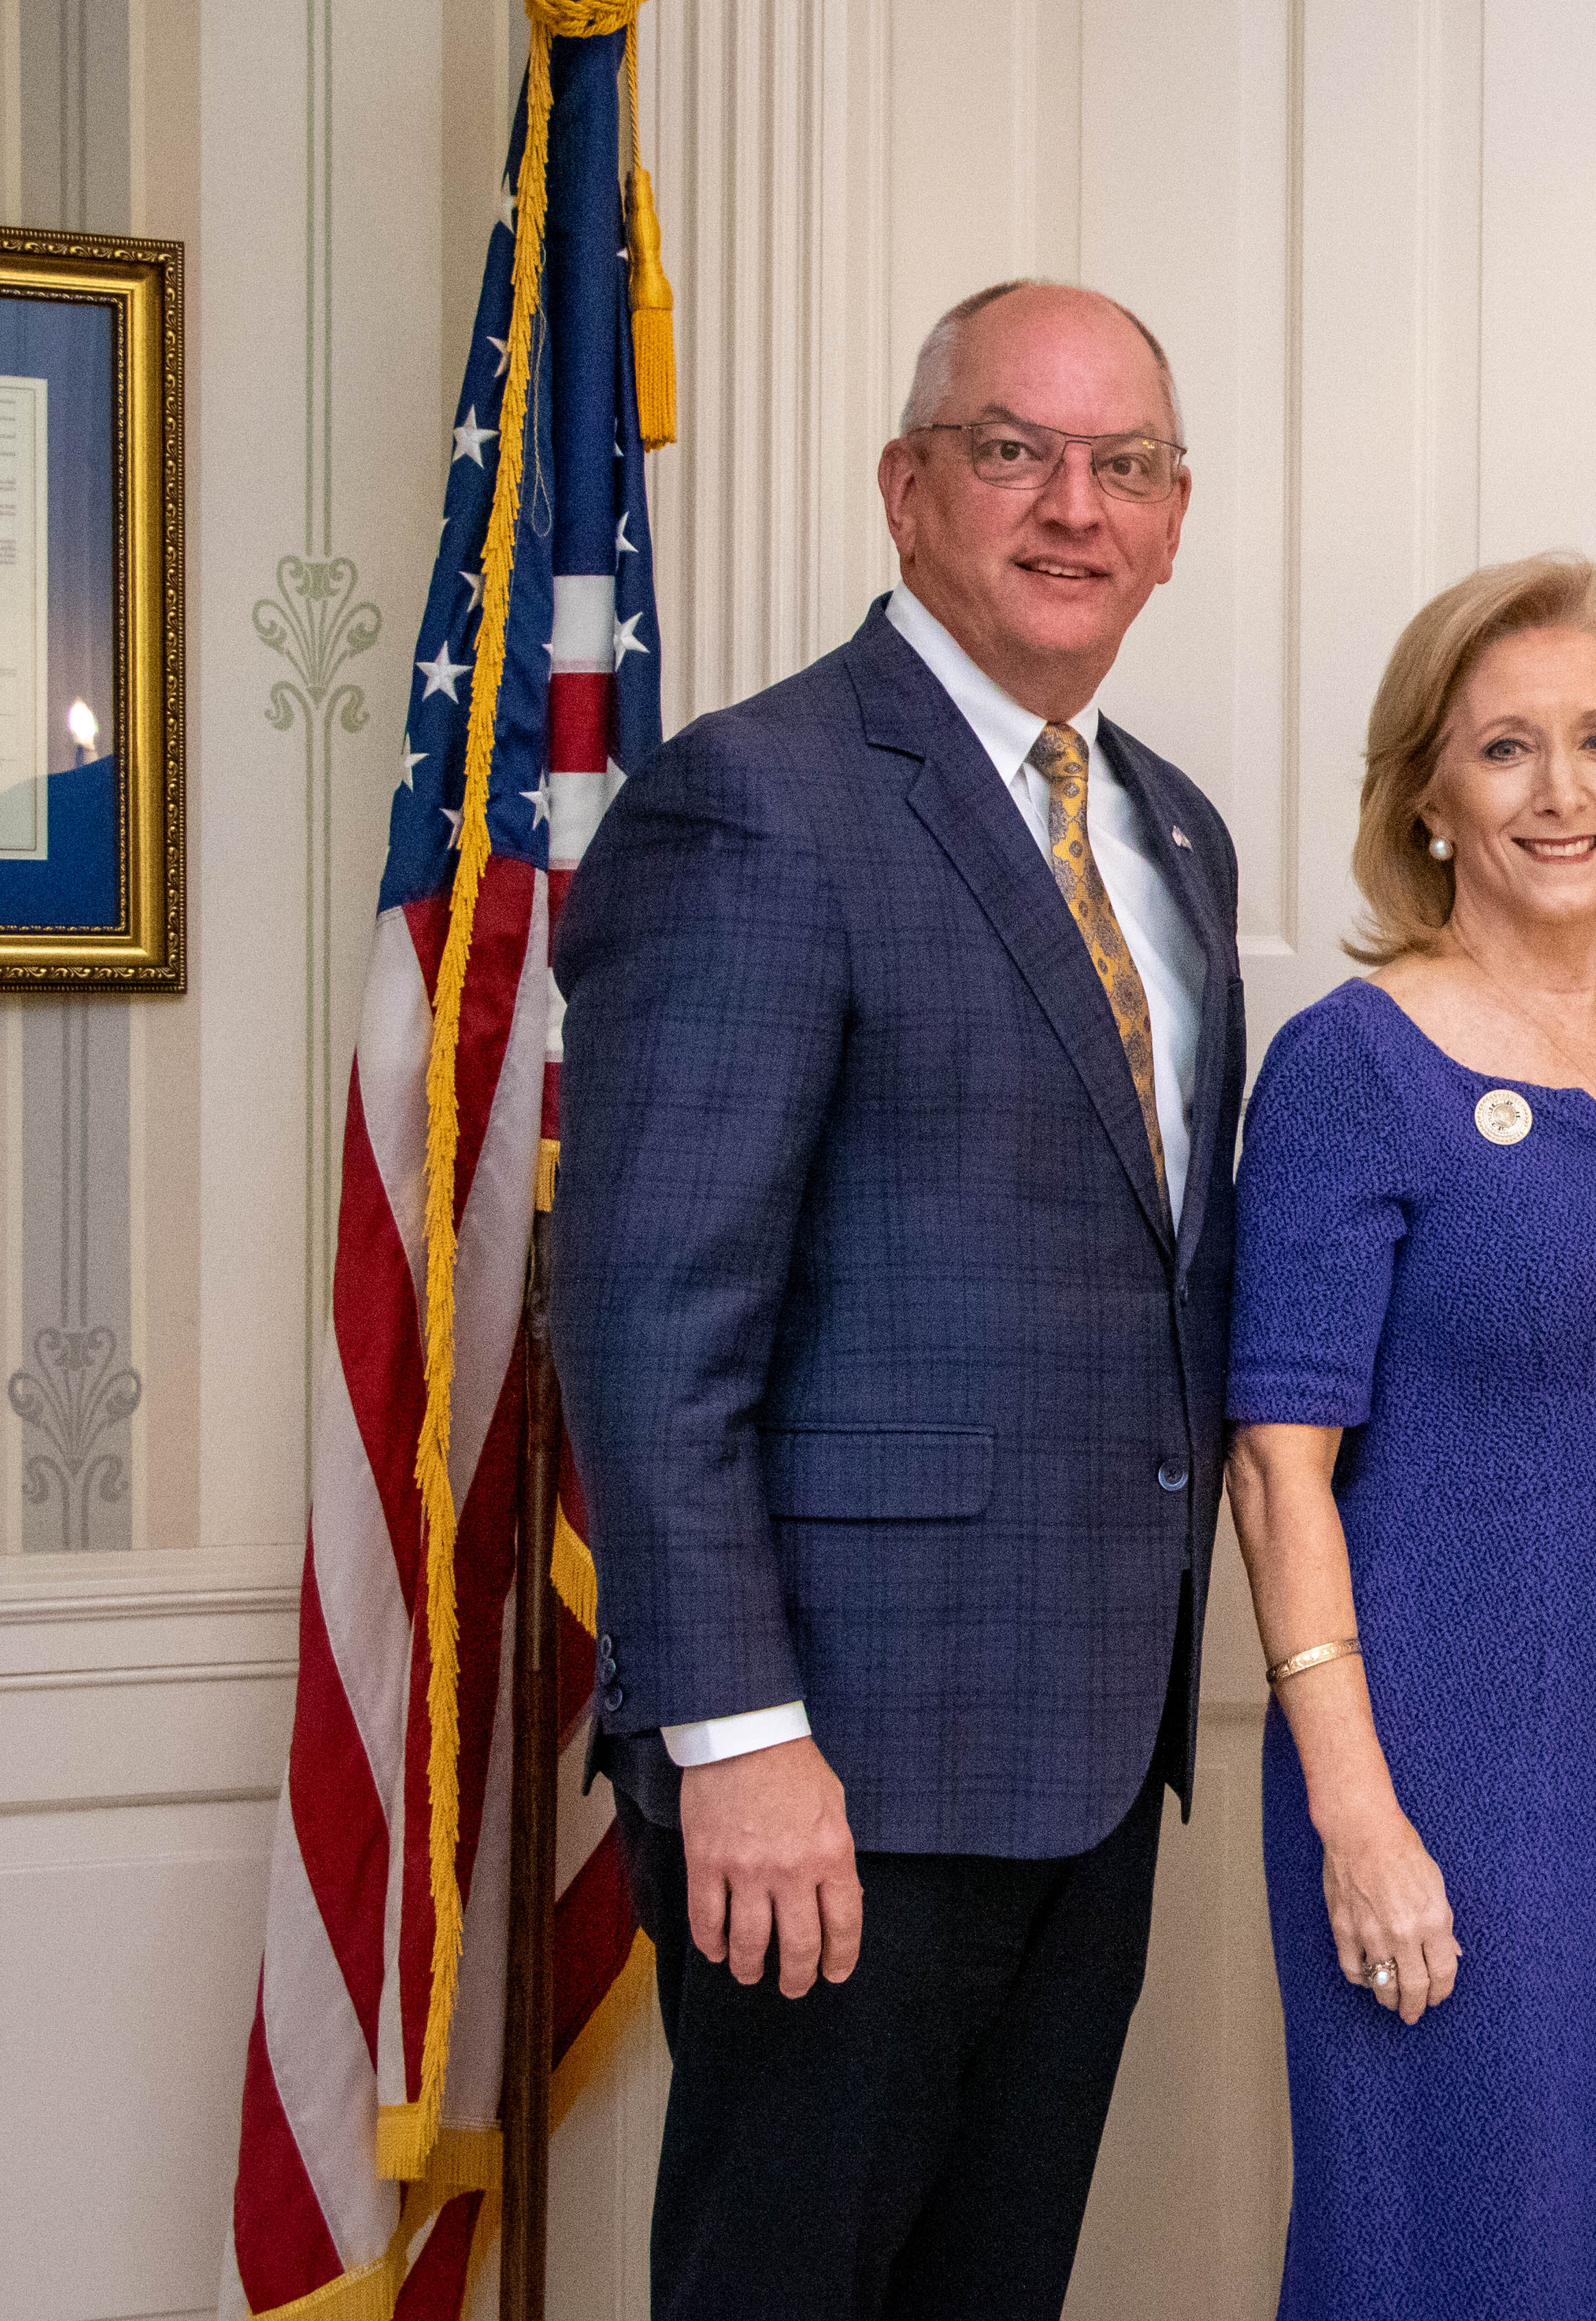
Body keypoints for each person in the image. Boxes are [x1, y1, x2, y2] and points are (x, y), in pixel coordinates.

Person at [548, 280, 1243, 2321]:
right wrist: (740, 1733)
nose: (1071, 505)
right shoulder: (757, 800)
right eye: (1011, 449)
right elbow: (650, 1322)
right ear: (906, 487)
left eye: (1123, 464)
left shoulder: (1168, 829)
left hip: (1091, 1748)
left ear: (1175, 517)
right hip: (832, 1763)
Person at [1223, 555, 1596, 2321]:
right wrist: (1358, 1820)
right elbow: (1275, 1467)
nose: (1563, 793)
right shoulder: (1350, 1061)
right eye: (1508, 749)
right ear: (1430, 795)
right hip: (1437, 1775)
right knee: (1457, 2253)